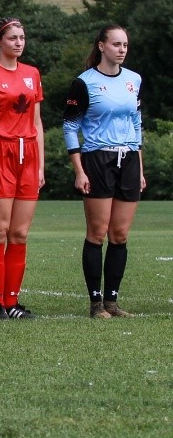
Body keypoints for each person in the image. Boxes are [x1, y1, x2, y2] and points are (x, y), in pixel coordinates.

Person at [63, 25, 144, 319]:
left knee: (119, 234)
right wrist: (79, 170)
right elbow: (70, 127)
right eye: (116, 44)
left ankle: (112, 302)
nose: (122, 49)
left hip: (129, 160)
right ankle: (96, 303)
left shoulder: (134, 79)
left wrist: (140, 167)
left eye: (125, 45)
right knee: (98, 233)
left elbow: (137, 123)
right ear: (101, 46)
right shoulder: (84, 83)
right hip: (98, 158)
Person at [0, 18, 45, 320]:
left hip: (27, 155)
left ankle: (12, 301)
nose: (18, 42)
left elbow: (37, 122)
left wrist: (39, 165)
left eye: (22, 37)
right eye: (12, 38)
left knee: (20, 233)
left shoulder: (32, 74)